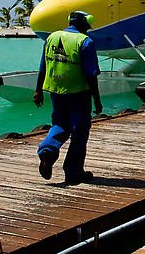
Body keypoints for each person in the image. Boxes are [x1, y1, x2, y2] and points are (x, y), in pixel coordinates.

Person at [33, 11, 103, 185]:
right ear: (83, 25)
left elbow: (43, 67)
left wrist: (38, 91)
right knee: (79, 133)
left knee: (60, 124)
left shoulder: (51, 38)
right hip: (79, 93)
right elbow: (91, 75)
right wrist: (97, 99)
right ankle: (73, 172)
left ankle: (47, 151)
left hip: (55, 91)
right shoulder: (84, 42)